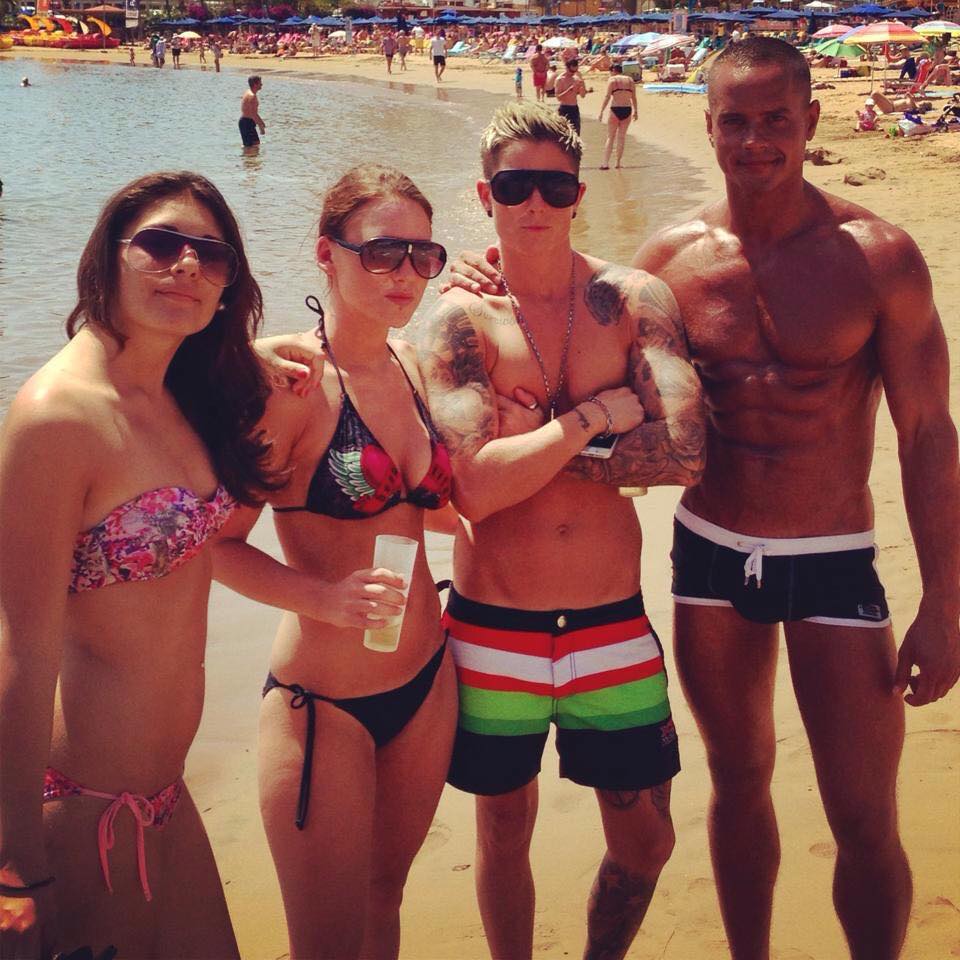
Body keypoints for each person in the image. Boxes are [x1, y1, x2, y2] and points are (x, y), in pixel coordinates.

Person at [447, 36, 960, 960]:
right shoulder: (671, 260)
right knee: (737, 779)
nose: (755, 140)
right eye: (735, 121)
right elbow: (574, 302)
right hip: (712, 552)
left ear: (810, 120)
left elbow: (928, 434)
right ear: (710, 126)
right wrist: (477, 270)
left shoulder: (878, 257)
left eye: (776, 120)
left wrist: (947, 602)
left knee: (863, 813)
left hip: (833, 555)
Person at [413, 101, 704, 960]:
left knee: (647, 840)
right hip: (492, 627)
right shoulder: (461, 318)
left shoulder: (631, 299)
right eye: (514, 187)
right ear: (485, 195)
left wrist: (534, 442)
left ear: (579, 194)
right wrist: (593, 422)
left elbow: (685, 451)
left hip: (611, 622)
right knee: (504, 829)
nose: (534, 203)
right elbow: (473, 491)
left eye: (554, 186)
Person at [0, 171, 276, 958]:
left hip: (165, 800)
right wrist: (15, 863)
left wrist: (278, 355)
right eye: (160, 243)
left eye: (212, 255)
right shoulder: (57, 418)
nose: (187, 265)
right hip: (81, 809)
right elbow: (23, 648)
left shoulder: (179, 394)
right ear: (107, 258)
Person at [212, 165, 460, 960]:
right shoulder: (289, 389)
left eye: (423, 255)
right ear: (327, 253)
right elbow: (216, 545)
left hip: (428, 681)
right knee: (324, 943)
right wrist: (321, 598)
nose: (405, 273)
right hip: (326, 707)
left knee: (385, 903)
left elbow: (429, 507)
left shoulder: (412, 365)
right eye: (382, 252)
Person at [598, 63, 637, 169]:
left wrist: (601, 111)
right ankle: (618, 163)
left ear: (613, 71)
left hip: (615, 109)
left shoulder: (612, 80)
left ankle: (605, 163)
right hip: (627, 109)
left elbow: (607, 96)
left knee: (610, 137)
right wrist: (636, 111)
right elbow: (633, 97)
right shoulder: (630, 80)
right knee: (621, 137)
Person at [554, 57, 589, 135]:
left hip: (574, 108)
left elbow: (582, 95)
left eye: (575, 71)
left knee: (576, 133)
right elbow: (558, 97)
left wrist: (582, 84)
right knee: (563, 133)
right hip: (564, 108)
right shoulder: (560, 79)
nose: (573, 73)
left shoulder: (576, 78)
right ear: (567, 68)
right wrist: (570, 89)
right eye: (571, 71)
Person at [239, 75, 265, 149]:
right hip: (246, 123)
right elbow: (253, 114)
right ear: (255, 84)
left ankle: (250, 156)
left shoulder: (249, 92)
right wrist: (260, 125)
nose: (262, 84)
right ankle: (248, 156)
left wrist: (261, 122)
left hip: (248, 122)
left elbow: (253, 112)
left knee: (256, 144)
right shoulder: (252, 96)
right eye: (260, 83)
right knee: (249, 147)